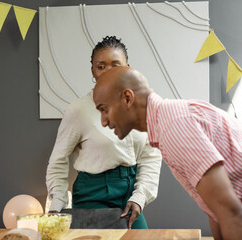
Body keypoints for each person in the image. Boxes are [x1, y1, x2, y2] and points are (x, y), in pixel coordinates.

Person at [93, 66, 242, 239]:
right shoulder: (169, 121)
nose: (103, 121)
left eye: (104, 109)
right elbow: (216, 210)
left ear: (127, 98)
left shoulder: (174, 128)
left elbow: (230, 212)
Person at [46, 36, 162, 229]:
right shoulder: (78, 110)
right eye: (101, 66)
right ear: (93, 70)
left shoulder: (140, 105)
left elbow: (151, 156)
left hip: (129, 195)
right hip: (93, 195)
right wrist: (58, 204)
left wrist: (140, 196)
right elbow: (58, 160)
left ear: (128, 68)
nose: (108, 72)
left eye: (115, 65)